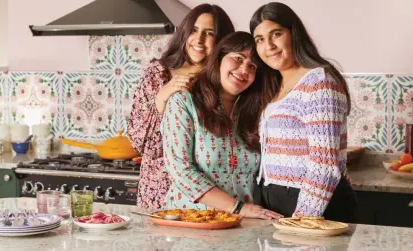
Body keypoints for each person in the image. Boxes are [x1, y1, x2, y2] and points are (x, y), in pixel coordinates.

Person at [249, 2, 357, 222]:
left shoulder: (320, 82)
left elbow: (324, 166)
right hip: (277, 204)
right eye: (259, 39)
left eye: (276, 34)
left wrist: (302, 220)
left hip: (313, 207)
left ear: (293, 34)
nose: (268, 46)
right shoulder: (275, 85)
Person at [160, 31, 283, 220]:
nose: (244, 70)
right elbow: (180, 169)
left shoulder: (257, 112)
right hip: (190, 224)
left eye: (252, 67)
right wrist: (237, 207)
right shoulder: (183, 102)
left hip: (244, 228)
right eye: (237, 58)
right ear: (219, 58)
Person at [127, 4, 235, 210]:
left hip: (207, 194)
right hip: (157, 191)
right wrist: (162, 96)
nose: (199, 40)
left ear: (221, 40)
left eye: (209, 33)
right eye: (194, 30)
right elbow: (138, 141)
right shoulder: (157, 73)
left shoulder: (224, 80)